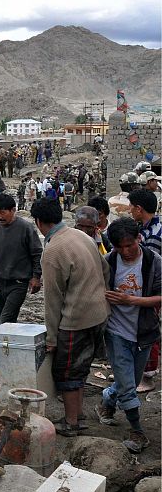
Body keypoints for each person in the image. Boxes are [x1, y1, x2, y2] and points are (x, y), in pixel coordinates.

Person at [30, 197, 111, 436]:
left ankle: (72, 422)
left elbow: (53, 300)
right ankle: (80, 415)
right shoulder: (83, 237)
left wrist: (52, 338)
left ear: (38, 222)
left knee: (66, 372)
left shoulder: (54, 250)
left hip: (76, 319)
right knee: (81, 367)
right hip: (98, 313)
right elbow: (105, 270)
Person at [96, 218, 161, 453]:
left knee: (130, 381)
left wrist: (131, 300)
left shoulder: (154, 262)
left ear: (139, 239)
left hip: (144, 332)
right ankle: (137, 431)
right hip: (116, 331)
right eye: (120, 247)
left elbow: (160, 296)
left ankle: (107, 401)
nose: (126, 251)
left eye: (129, 245)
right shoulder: (109, 262)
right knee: (127, 384)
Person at [0, 194, 43, 324]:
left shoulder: (26, 228)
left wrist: (36, 277)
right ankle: (7, 343)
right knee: (1, 318)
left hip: (18, 282)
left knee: (6, 318)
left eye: (3, 212)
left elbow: (37, 253)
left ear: (13, 210)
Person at [127, 189, 162, 390]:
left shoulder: (155, 234)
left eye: (132, 207)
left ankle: (147, 376)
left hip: (151, 290)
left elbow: (150, 267)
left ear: (139, 209)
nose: (130, 210)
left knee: (149, 330)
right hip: (143, 289)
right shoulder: (146, 228)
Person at [129, 189, 161, 256]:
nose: (130, 211)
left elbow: (148, 263)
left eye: (131, 206)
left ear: (138, 209)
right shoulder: (142, 226)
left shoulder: (154, 235)